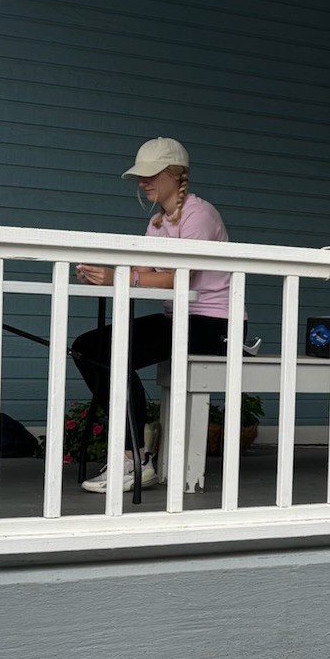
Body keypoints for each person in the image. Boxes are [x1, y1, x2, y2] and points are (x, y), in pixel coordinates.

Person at [70, 138, 231, 494]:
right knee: (88, 347)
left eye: (150, 174)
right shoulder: (158, 222)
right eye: (139, 177)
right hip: (180, 320)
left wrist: (122, 277)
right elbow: (145, 275)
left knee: (107, 351)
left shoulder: (199, 216)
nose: (143, 182)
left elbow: (178, 278)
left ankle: (134, 459)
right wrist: (105, 274)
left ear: (176, 174)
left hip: (215, 324)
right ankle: (134, 452)